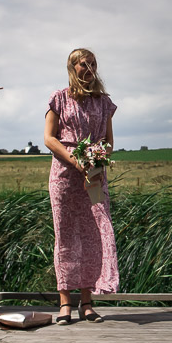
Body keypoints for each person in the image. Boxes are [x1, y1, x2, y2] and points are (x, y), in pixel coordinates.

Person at [44, 48, 119, 325]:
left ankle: (87, 302)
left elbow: (109, 141)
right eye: (83, 64)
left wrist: (98, 159)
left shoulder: (104, 102)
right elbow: (49, 139)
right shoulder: (59, 98)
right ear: (72, 67)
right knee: (65, 236)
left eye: (93, 64)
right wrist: (76, 161)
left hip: (94, 175)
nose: (89, 68)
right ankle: (64, 302)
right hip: (64, 173)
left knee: (92, 235)